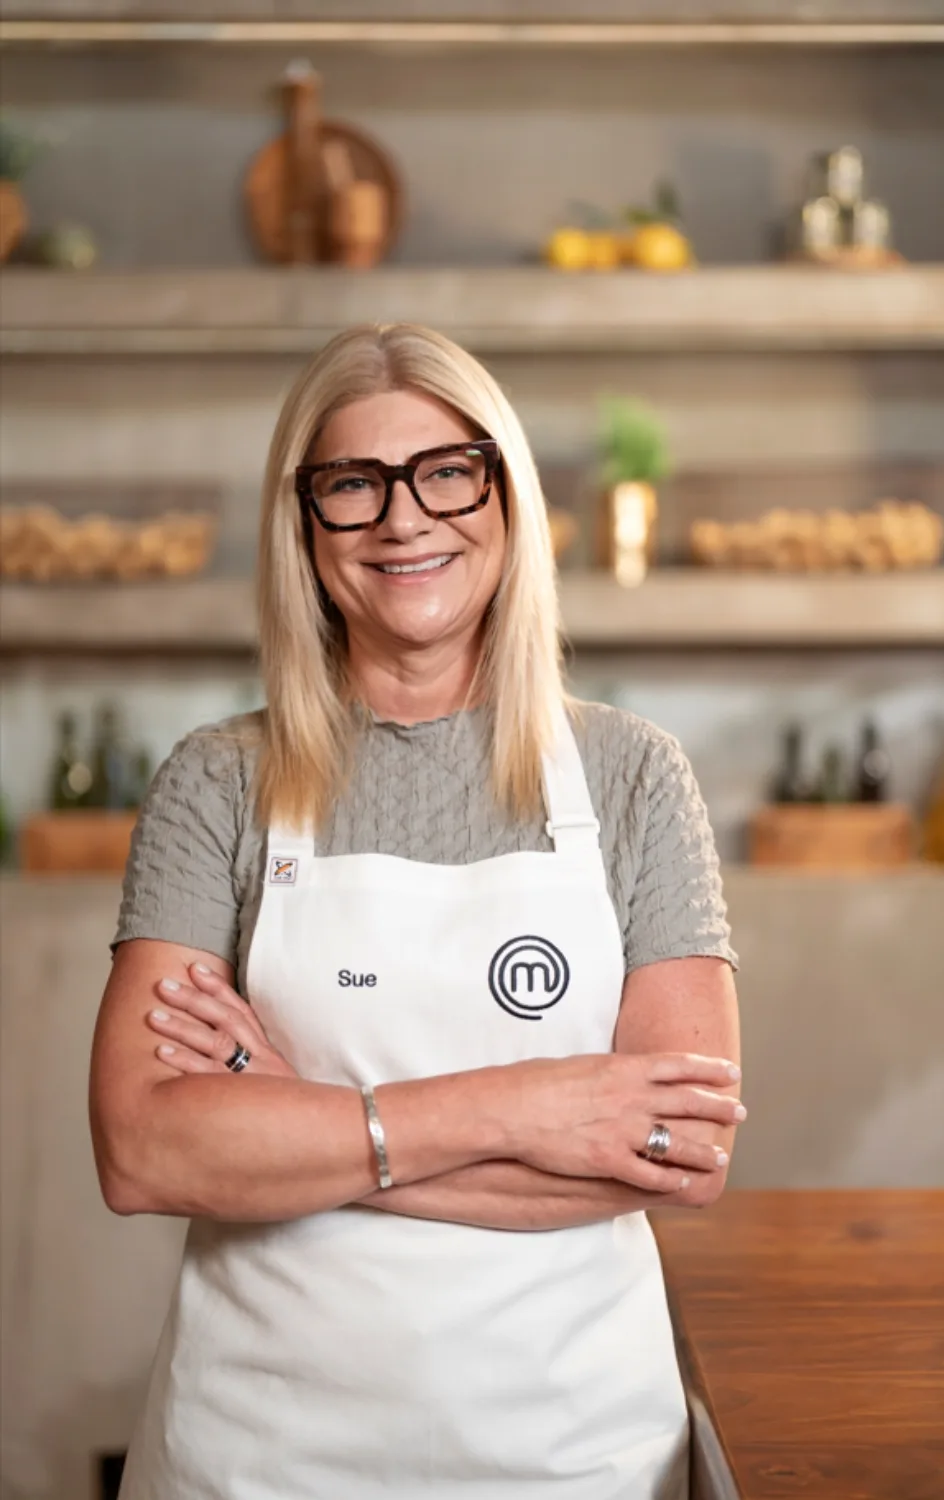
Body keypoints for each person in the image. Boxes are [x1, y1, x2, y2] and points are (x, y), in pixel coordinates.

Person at [90, 322, 742, 1500]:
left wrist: (295, 1123)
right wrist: (532, 1105)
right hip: (259, 1448)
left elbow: (676, 1152)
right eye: (353, 484)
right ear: (304, 525)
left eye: (447, 472)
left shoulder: (636, 777)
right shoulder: (216, 781)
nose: (404, 520)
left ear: (506, 497)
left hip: (570, 1450)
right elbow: (141, 1149)